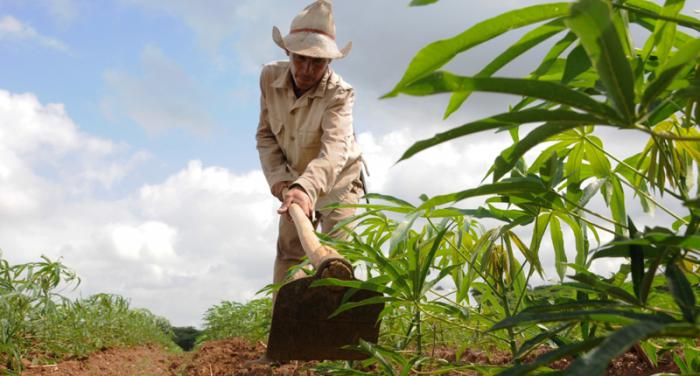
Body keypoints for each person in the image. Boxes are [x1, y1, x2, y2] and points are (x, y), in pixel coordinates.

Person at [256, 0, 363, 286]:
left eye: (317, 61)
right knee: (289, 254)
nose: (306, 68)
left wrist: (307, 188)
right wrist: (282, 182)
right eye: (300, 58)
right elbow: (266, 135)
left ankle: (335, 328)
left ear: (329, 61)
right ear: (287, 51)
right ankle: (284, 328)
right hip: (292, 183)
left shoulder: (340, 94)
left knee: (339, 258)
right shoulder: (269, 77)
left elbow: (335, 150)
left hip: (337, 184)